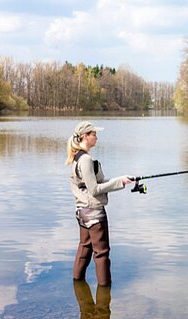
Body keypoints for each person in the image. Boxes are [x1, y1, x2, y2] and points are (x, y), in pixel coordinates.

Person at [66, 121, 133, 286]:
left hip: (82, 212)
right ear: (85, 136)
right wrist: (119, 183)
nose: (96, 137)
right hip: (94, 213)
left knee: (85, 248)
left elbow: (95, 184)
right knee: (102, 254)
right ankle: (105, 295)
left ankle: (77, 284)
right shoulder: (86, 160)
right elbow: (95, 189)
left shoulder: (77, 158)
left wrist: (122, 179)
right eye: (94, 134)